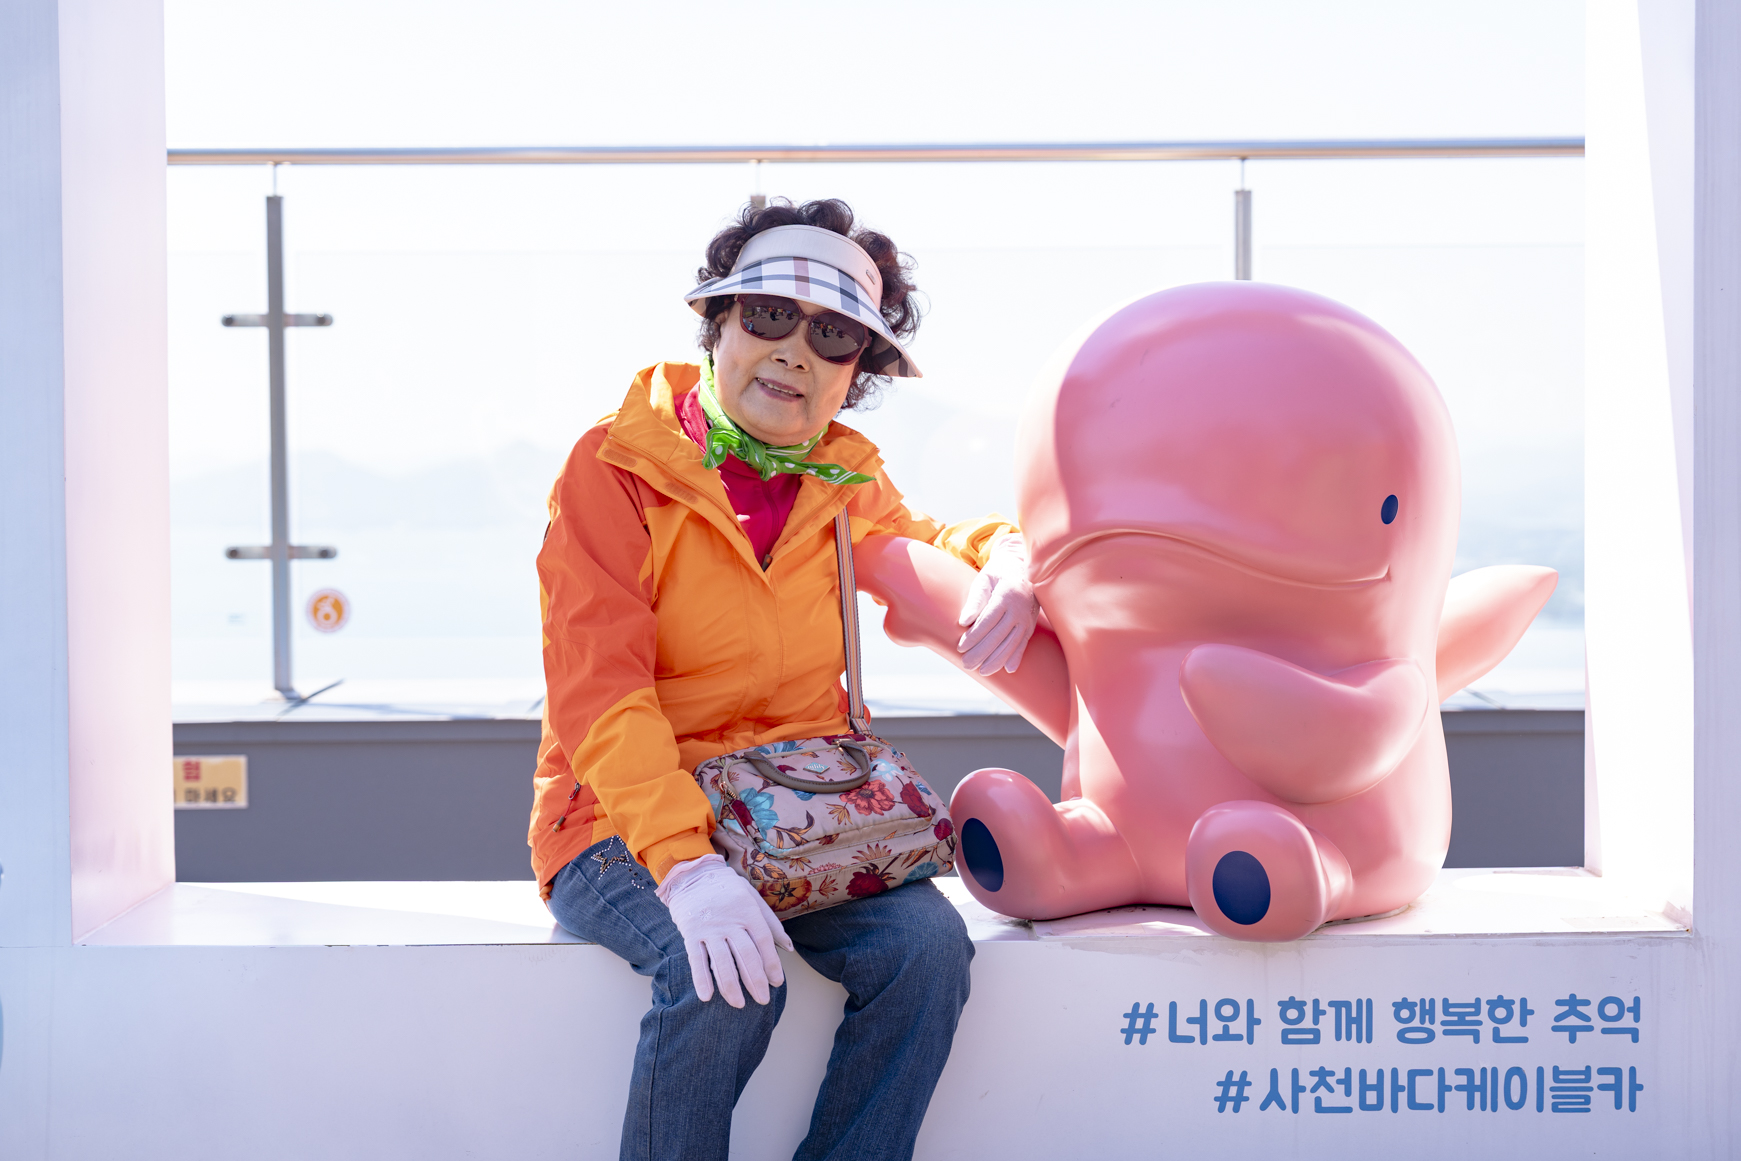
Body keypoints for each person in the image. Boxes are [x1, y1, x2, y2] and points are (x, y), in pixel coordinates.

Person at [530, 198, 1039, 1161]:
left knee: (926, 951)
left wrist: (1011, 553)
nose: (795, 352)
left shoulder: (841, 477)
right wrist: (687, 868)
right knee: (723, 977)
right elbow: (600, 691)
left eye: (833, 335)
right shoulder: (615, 466)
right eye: (769, 315)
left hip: (793, 812)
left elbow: (928, 538)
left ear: (855, 373)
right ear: (717, 324)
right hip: (621, 820)